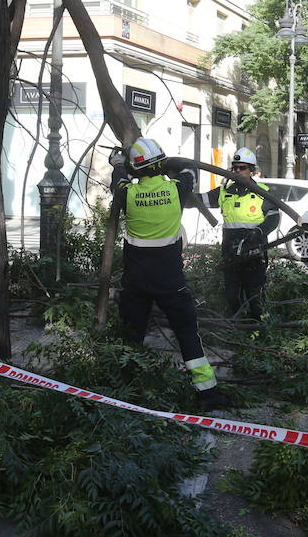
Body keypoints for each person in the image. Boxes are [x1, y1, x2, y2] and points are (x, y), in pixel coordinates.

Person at [111, 137, 227, 410]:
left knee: (132, 335)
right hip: (171, 282)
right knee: (187, 332)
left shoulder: (128, 194)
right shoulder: (178, 189)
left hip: (136, 282)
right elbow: (189, 169)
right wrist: (169, 164)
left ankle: (124, 392)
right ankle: (207, 393)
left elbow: (119, 177)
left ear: (136, 170)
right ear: (162, 164)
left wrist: (119, 162)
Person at [202, 147, 279, 321]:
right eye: (235, 167)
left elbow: (274, 218)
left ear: (252, 170)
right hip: (230, 249)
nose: (237, 171)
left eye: (242, 167)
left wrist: (258, 232)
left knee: (254, 290)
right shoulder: (224, 191)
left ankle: (259, 325)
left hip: (254, 249)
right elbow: (200, 200)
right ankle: (236, 325)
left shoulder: (262, 192)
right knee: (232, 289)